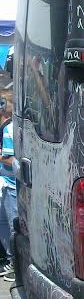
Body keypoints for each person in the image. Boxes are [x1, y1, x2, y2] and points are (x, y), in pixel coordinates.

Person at [0, 89, 15, 282]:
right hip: (7, 184)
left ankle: (15, 263)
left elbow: (12, 160)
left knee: (12, 226)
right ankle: (11, 260)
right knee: (4, 222)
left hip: (12, 186)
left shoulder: (9, 130)